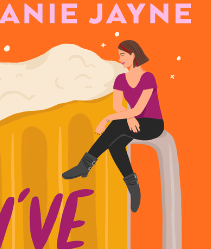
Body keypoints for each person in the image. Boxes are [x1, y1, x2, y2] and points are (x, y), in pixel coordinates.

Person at [62, 40, 165, 211]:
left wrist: (107, 118)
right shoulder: (121, 79)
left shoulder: (148, 77)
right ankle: (133, 185)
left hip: (152, 125)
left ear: (133, 55)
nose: (120, 59)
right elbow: (117, 105)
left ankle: (85, 164)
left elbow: (139, 108)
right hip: (134, 122)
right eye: (119, 55)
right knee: (115, 146)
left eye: (123, 55)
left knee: (116, 125)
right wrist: (130, 117)